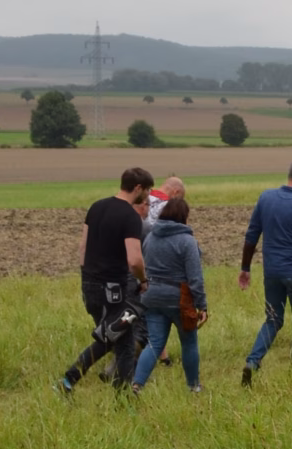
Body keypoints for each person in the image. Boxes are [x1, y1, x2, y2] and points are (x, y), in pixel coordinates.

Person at [60, 165, 150, 393]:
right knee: (124, 343)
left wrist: (88, 277)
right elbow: (134, 260)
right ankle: (122, 397)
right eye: (147, 191)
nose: (147, 196)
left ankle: (69, 381)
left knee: (111, 337)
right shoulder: (130, 216)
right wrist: (143, 280)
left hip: (89, 285)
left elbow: (82, 248)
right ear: (137, 187)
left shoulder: (96, 207)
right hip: (114, 291)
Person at [238, 156, 292, 383]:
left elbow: (251, 235)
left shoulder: (266, 198)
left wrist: (245, 267)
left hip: (272, 273)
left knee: (273, 320)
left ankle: (253, 361)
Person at [133, 194, 207, 393]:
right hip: (179, 298)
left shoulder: (150, 237)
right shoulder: (187, 241)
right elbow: (195, 277)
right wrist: (202, 305)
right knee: (189, 342)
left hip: (152, 295)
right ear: (183, 216)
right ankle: (193, 386)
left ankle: (137, 384)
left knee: (155, 343)